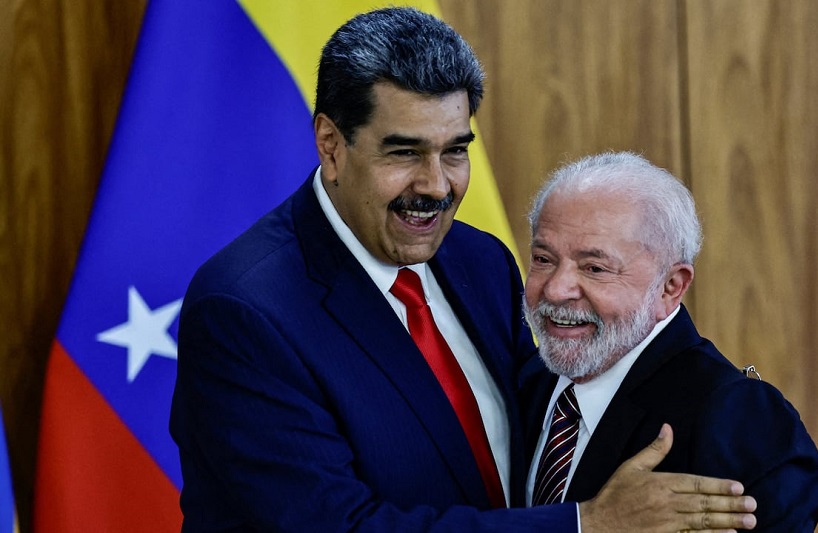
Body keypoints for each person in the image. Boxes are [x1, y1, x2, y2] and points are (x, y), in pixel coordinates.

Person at [170, 8, 758, 532]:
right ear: (331, 145)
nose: (436, 186)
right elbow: (339, 525)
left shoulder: (478, 258)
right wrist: (586, 526)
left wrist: (737, 417)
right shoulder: (244, 310)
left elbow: (551, 412)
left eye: (454, 150)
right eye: (404, 152)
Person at [522, 151, 818, 531]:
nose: (556, 289)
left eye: (594, 268)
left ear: (671, 286)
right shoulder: (523, 384)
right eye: (543, 259)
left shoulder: (737, 416)